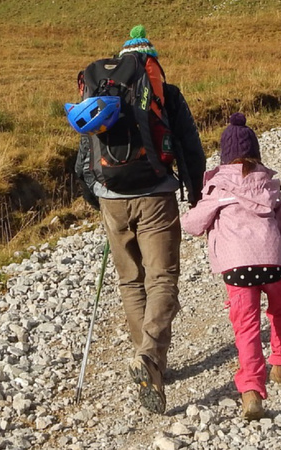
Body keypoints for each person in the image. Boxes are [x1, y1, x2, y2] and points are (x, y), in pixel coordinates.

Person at [73, 26, 206, 414]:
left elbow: (85, 149)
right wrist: (196, 193)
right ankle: (149, 358)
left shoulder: (100, 93)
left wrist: (94, 195)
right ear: (151, 61)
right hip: (156, 194)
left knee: (131, 280)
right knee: (162, 278)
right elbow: (191, 147)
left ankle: (147, 358)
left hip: (110, 197)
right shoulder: (167, 94)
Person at [181, 113, 281, 420]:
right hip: (273, 262)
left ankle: (251, 391)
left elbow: (193, 225)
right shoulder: (268, 184)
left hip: (238, 269)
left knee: (247, 328)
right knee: (280, 312)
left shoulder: (218, 188)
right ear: (256, 152)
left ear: (225, 156)